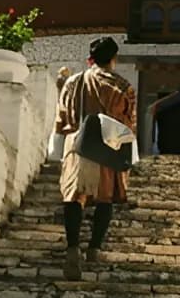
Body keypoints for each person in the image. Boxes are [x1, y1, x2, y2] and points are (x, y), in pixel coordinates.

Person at [53, 37, 136, 279]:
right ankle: (94, 249)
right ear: (113, 59)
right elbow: (128, 124)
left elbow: (62, 117)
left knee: (73, 196)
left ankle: (72, 248)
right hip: (107, 146)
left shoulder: (73, 82)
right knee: (104, 198)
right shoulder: (122, 87)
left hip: (77, 144)